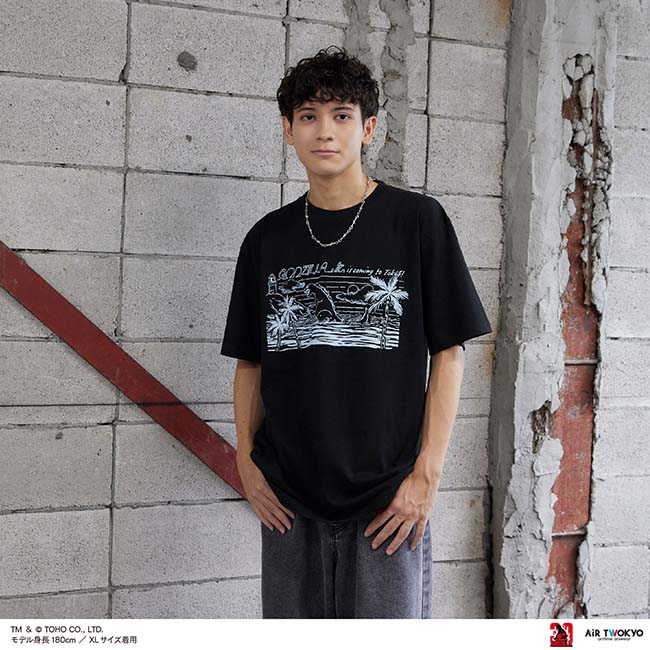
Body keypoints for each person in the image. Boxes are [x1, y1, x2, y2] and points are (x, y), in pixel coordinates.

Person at [220, 45, 492, 618]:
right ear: (288, 130)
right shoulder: (266, 239)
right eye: (308, 116)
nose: (325, 131)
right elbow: (251, 362)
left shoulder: (417, 222)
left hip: (388, 501)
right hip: (288, 500)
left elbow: (449, 354)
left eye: (341, 115)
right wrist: (246, 461)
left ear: (367, 129)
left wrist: (426, 477)